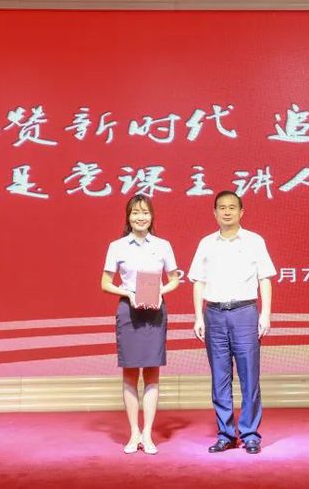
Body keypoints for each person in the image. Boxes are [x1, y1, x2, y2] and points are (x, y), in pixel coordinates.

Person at [188, 190, 275, 455]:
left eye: (232, 207)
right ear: (214, 213)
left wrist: (265, 314)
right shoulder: (206, 243)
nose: (227, 212)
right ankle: (225, 434)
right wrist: (198, 316)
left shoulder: (254, 241)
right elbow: (198, 282)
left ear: (241, 212)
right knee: (220, 378)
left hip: (245, 313)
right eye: (222, 208)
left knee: (249, 377)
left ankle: (250, 434)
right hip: (214, 314)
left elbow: (264, 279)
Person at [101, 195, 179, 455]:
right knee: (130, 374)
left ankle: (148, 433)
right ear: (128, 216)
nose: (140, 217)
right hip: (129, 311)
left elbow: (174, 279)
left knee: (152, 374)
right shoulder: (117, 246)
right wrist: (128, 293)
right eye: (135, 212)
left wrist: (159, 292)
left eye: (145, 212)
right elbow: (105, 283)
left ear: (152, 216)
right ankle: (134, 432)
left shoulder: (163, 245)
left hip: (155, 311)